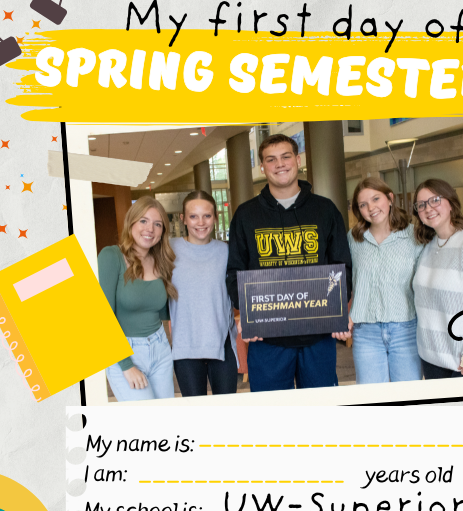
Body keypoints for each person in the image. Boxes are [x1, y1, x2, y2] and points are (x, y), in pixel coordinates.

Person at [226, 133, 352, 392]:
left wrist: (338, 310)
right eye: (270, 159)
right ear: (262, 167)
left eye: (285, 156)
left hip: (318, 336)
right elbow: (235, 271)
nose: (279, 164)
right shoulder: (246, 214)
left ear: (298, 159)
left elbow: (342, 264)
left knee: (321, 410)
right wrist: (246, 313)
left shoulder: (325, 209)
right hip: (267, 339)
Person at [411, 179, 463, 380]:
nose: (428, 208)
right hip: (430, 358)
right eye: (421, 205)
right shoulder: (427, 246)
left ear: (450, 202)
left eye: (434, 200)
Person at [99, 196, 177, 401]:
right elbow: (102, 317)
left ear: (162, 232)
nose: (150, 228)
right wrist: (126, 365)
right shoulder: (111, 256)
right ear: (131, 223)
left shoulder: (161, 260)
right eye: (143, 221)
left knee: (165, 423)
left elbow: (161, 311)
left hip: (160, 349)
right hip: (126, 351)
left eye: (157, 224)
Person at [348, 177, 424, 384]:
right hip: (366, 332)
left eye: (375, 199)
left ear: (390, 198)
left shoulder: (414, 236)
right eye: (363, 205)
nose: (370, 208)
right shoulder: (353, 239)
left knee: (410, 400)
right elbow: (345, 280)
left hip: (406, 329)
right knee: (372, 401)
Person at [169, 190, 239, 397]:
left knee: (225, 412)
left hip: (221, 344)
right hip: (186, 347)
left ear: (215, 218)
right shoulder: (168, 250)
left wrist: (247, 314)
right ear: (183, 219)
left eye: (207, 215)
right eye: (193, 216)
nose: (201, 222)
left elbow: (242, 286)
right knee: (195, 414)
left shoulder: (226, 251)